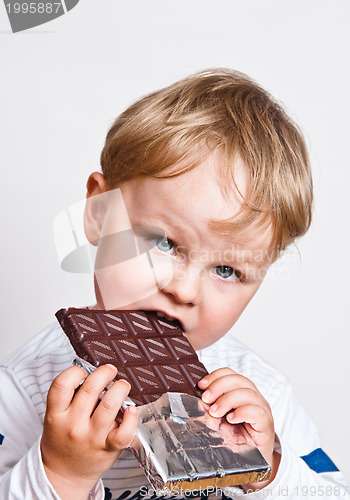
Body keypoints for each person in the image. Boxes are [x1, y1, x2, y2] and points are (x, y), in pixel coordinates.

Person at [0, 69, 348, 500]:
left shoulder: (258, 390)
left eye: (227, 270)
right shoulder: (24, 387)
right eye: (165, 242)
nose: (184, 290)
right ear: (97, 213)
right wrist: (63, 473)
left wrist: (265, 470)